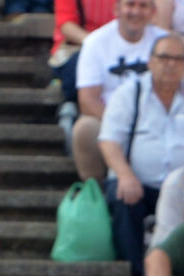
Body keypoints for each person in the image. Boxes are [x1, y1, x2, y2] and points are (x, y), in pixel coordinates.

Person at [97, 30, 184, 259]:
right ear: (151, 62)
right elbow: (109, 140)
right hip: (137, 183)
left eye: (178, 59)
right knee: (124, 198)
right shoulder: (128, 94)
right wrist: (125, 175)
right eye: (164, 58)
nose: (171, 65)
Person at [69, 0, 158, 179]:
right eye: (130, 5)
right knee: (85, 128)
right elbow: (87, 101)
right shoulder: (95, 43)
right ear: (116, 9)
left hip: (156, 123)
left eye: (143, 6)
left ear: (153, 11)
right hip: (109, 120)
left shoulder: (164, 43)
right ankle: (96, 193)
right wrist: (122, 126)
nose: (136, 12)